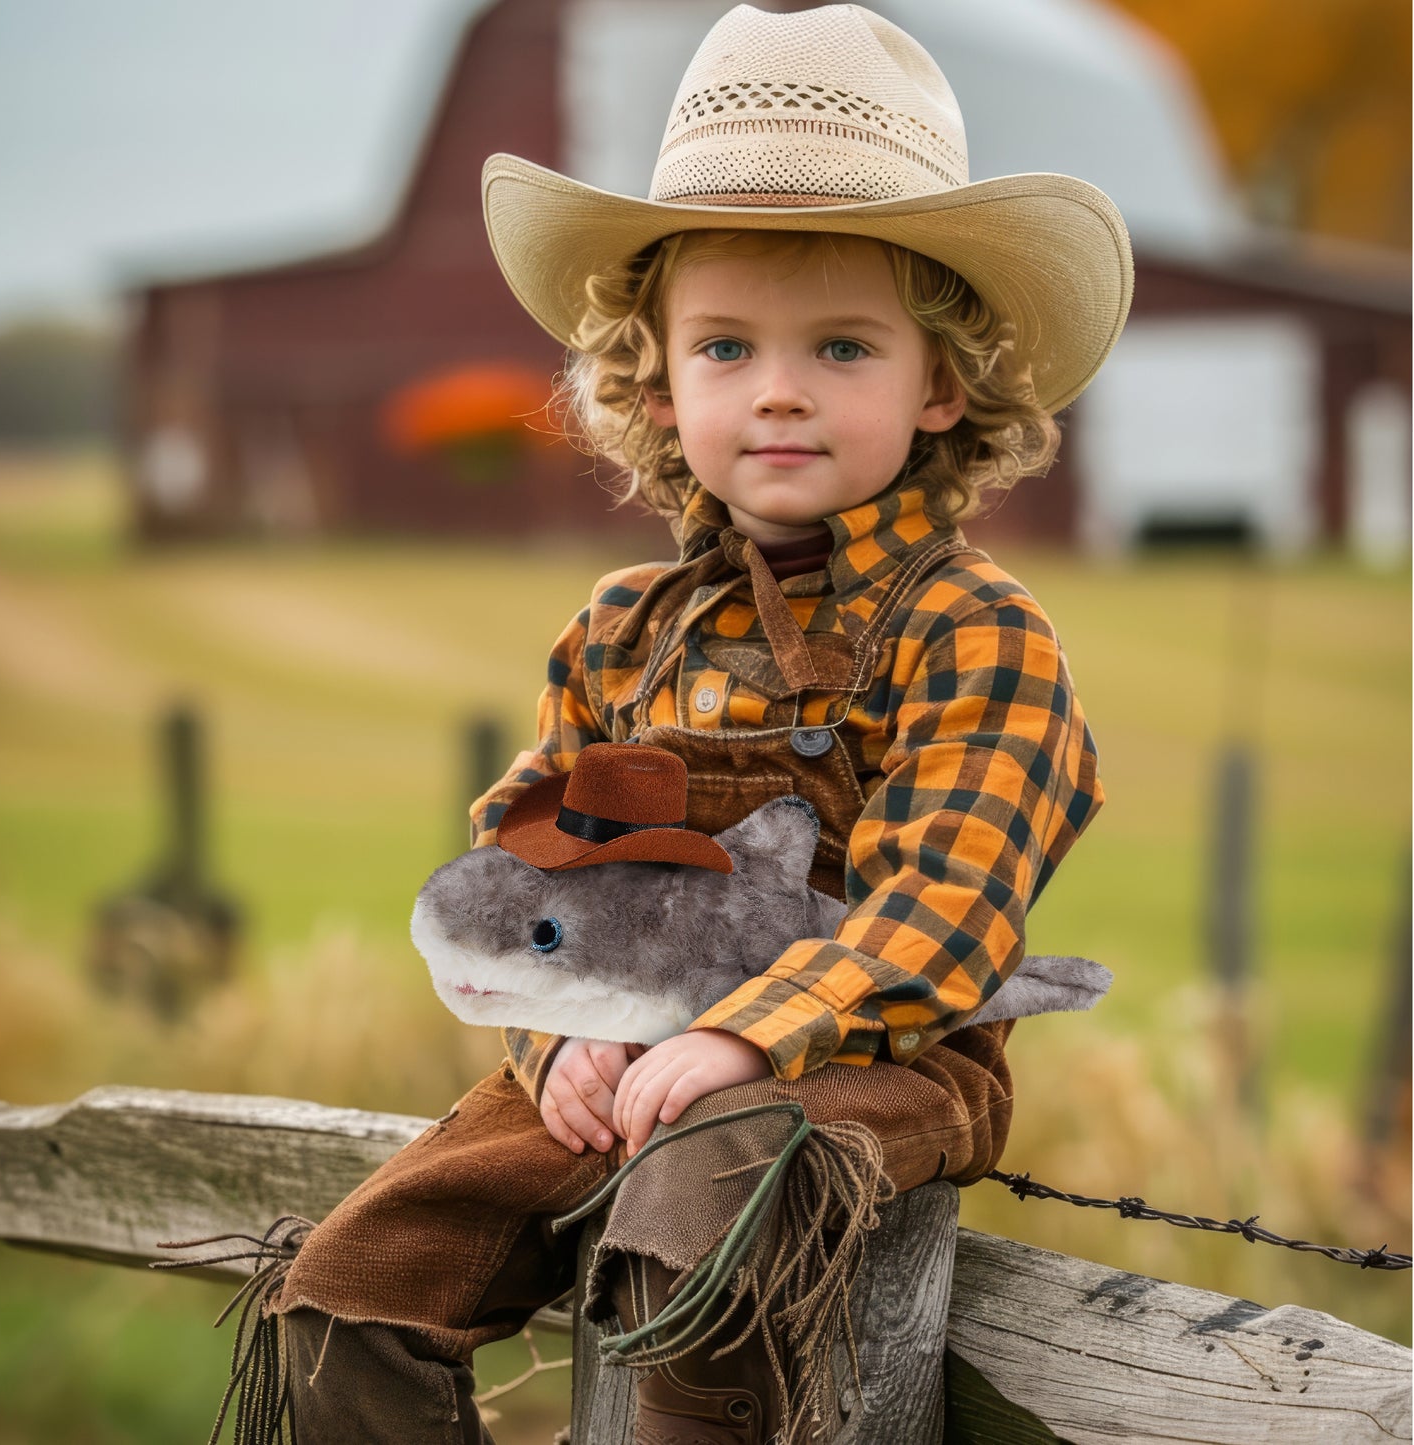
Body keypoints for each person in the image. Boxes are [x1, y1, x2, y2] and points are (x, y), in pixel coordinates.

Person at [215, 5, 1131, 1442]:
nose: (774, 386)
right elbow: (522, 884)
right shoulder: (619, 629)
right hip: (618, 1055)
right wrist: (552, 1042)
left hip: (866, 1058)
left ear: (939, 380)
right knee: (354, 1286)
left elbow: (943, 912)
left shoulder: (973, 631)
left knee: (703, 1210)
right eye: (722, 347)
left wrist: (744, 1039)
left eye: (839, 345)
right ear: (652, 376)